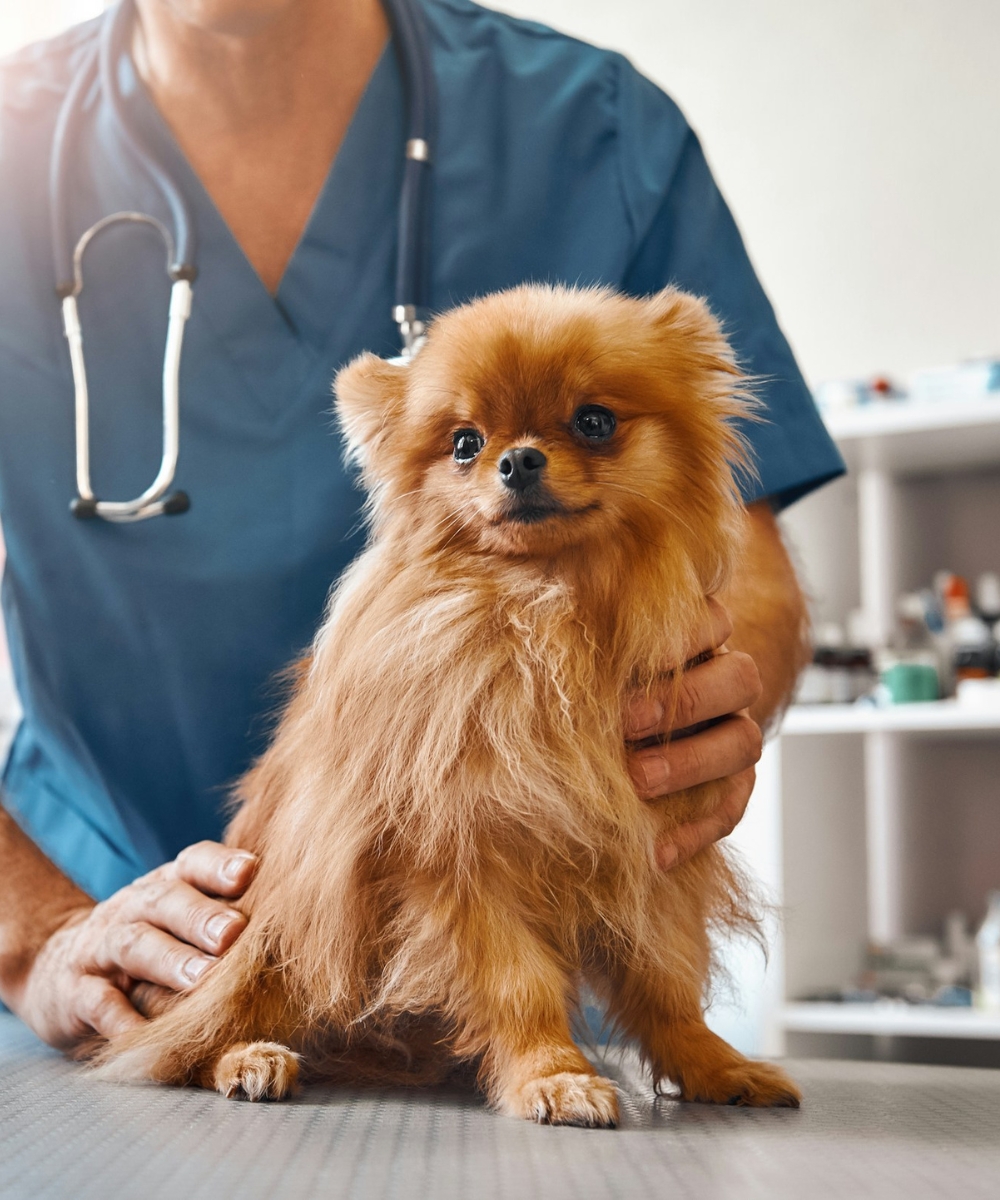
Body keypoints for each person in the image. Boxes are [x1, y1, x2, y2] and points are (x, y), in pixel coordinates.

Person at [0, 0, 843, 1052]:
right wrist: (35, 938)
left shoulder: (595, 130)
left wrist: (704, 704)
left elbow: (741, 544)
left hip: (525, 978)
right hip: (86, 955)